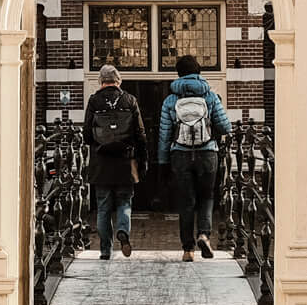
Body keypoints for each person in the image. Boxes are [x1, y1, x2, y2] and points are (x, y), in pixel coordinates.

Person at [158, 54, 230, 260]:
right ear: (199, 72)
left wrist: (162, 162)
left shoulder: (171, 99)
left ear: (178, 74)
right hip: (207, 152)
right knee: (206, 197)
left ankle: (188, 249)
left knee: (186, 202)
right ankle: (204, 235)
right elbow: (226, 127)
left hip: (180, 154)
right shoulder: (210, 96)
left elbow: (164, 135)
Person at [82, 64, 145, 260]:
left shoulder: (94, 101)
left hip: (101, 164)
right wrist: (142, 161)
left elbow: (86, 135)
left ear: (101, 81)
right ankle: (123, 232)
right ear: (118, 81)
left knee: (103, 208)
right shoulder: (130, 100)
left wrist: (100, 145)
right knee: (124, 202)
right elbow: (140, 134)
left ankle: (105, 251)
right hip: (125, 163)